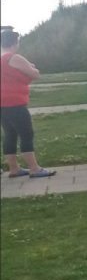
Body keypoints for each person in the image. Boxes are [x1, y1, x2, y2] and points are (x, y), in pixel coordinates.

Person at [0, 30, 55, 178]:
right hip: (15, 103)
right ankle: (34, 168)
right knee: (26, 133)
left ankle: (14, 168)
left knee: (10, 134)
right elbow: (35, 74)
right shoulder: (14, 58)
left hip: (2, 104)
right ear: (15, 43)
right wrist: (32, 67)